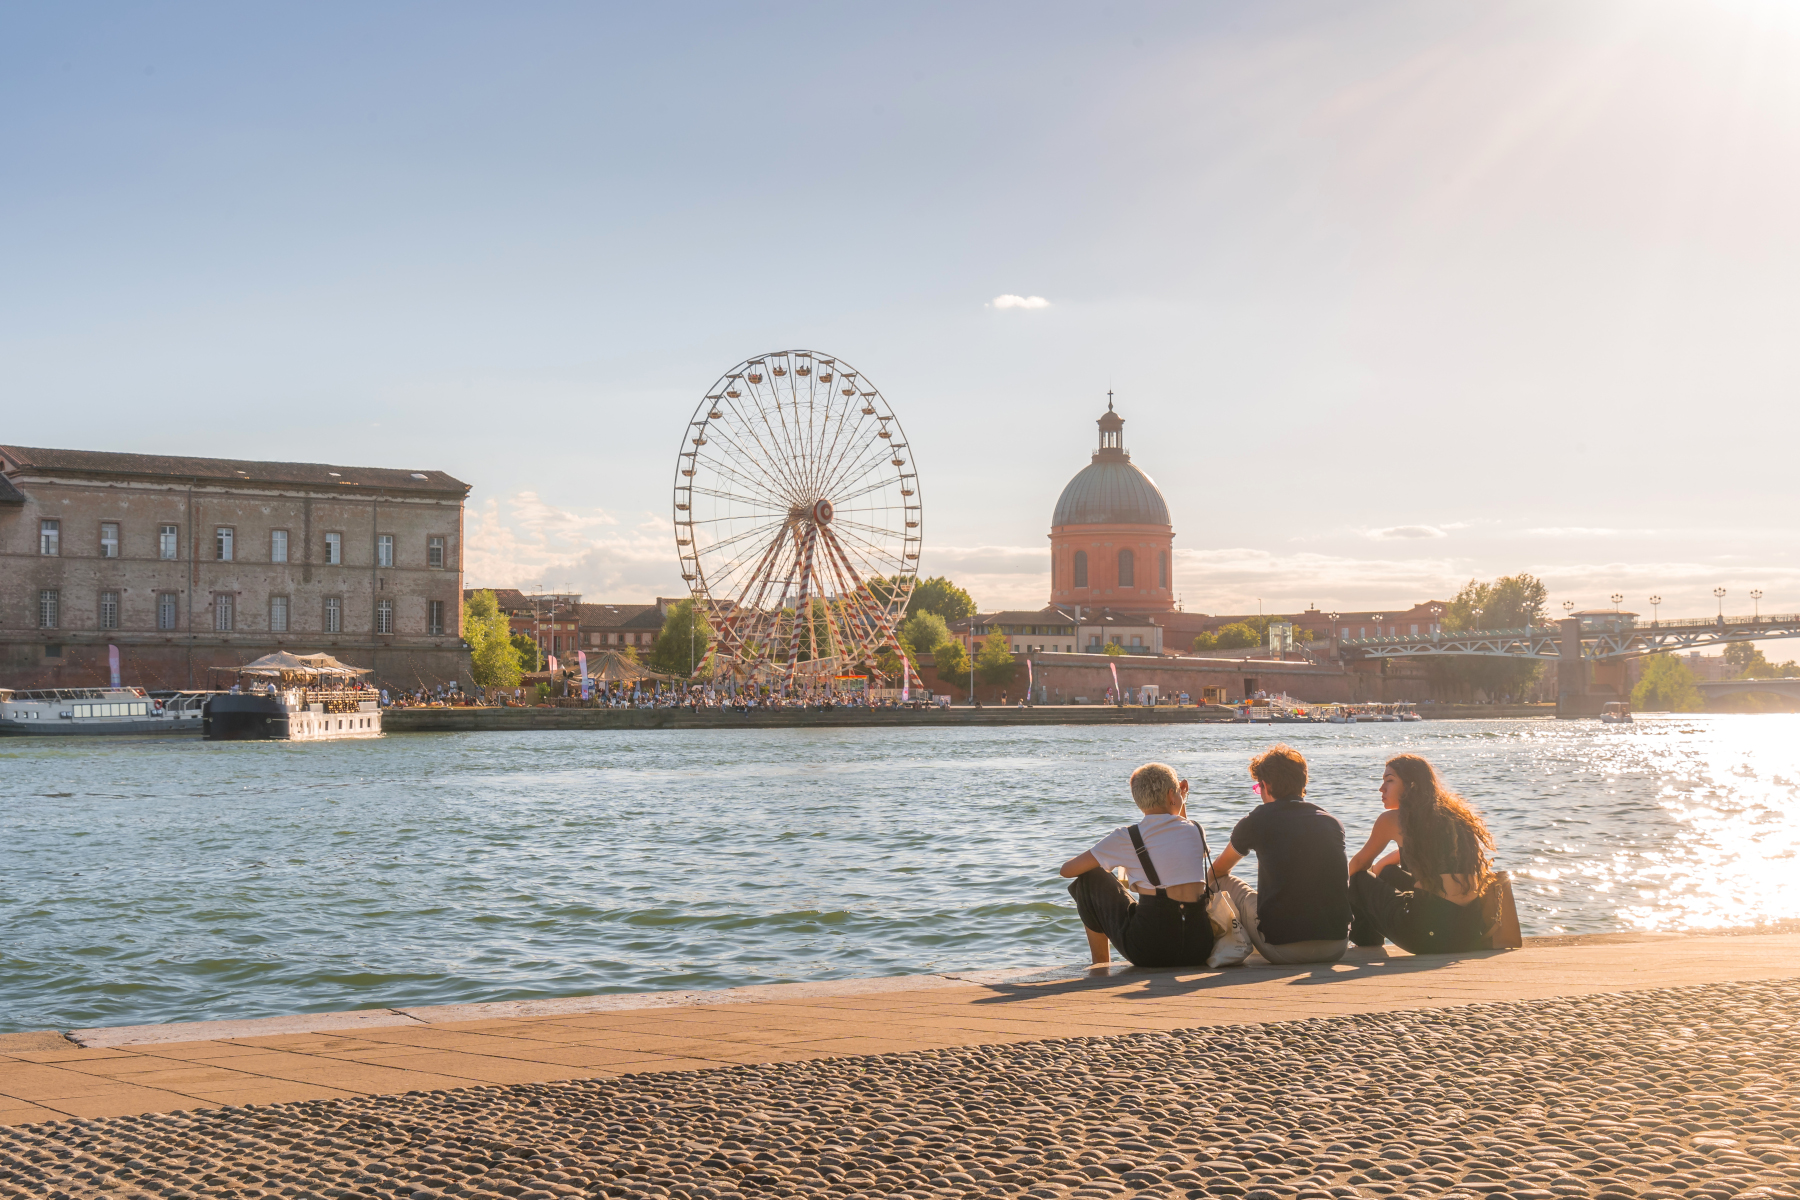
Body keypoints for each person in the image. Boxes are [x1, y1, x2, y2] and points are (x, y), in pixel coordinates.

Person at [1060, 763, 1216, 969]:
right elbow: (1180, 840)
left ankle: (1099, 965)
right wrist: (1180, 799)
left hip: (1151, 950)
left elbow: (1066, 871)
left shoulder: (1128, 837)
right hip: (1199, 947)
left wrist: (1112, 862)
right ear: (1172, 794)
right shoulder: (1196, 830)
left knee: (1089, 879)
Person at [1207, 744, 1350, 965]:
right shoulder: (1331, 822)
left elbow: (1218, 871)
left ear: (1265, 785)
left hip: (1283, 949)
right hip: (1337, 946)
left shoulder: (1256, 821)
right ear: (1302, 783)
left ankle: (1212, 945)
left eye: (1258, 787)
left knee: (1222, 882)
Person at [1348, 755, 1496, 954]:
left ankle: (1366, 943)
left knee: (1358, 879)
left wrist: (1335, 893)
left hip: (1427, 936)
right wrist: (1382, 868)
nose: (1381, 789)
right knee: (1388, 873)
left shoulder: (1392, 820)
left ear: (1411, 785)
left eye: (1389, 780)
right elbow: (1423, 855)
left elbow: (1358, 864)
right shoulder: (1452, 818)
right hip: (1468, 933)